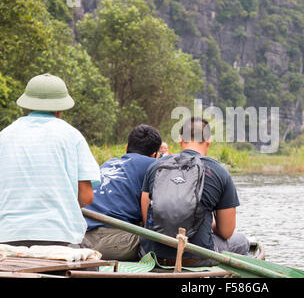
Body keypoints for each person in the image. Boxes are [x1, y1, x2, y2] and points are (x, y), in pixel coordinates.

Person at [0, 73, 100, 248]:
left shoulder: (4, 136)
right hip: (59, 236)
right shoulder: (72, 136)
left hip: (7, 236)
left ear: (27, 106)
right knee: (89, 256)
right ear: (60, 109)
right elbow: (86, 196)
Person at [140, 117, 249, 266]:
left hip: (154, 255)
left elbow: (148, 218)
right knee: (242, 241)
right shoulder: (220, 173)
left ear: (180, 139)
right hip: (197, 257)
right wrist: (204, 221)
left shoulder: (155, 167)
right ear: (208, 140)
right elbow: (226, 232)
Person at [83, 125, 162, 261]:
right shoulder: (152, 165)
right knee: (161, 239)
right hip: (113, 243)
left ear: (126, 147)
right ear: (155, 154)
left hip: (82, 239)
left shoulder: (108, 163)